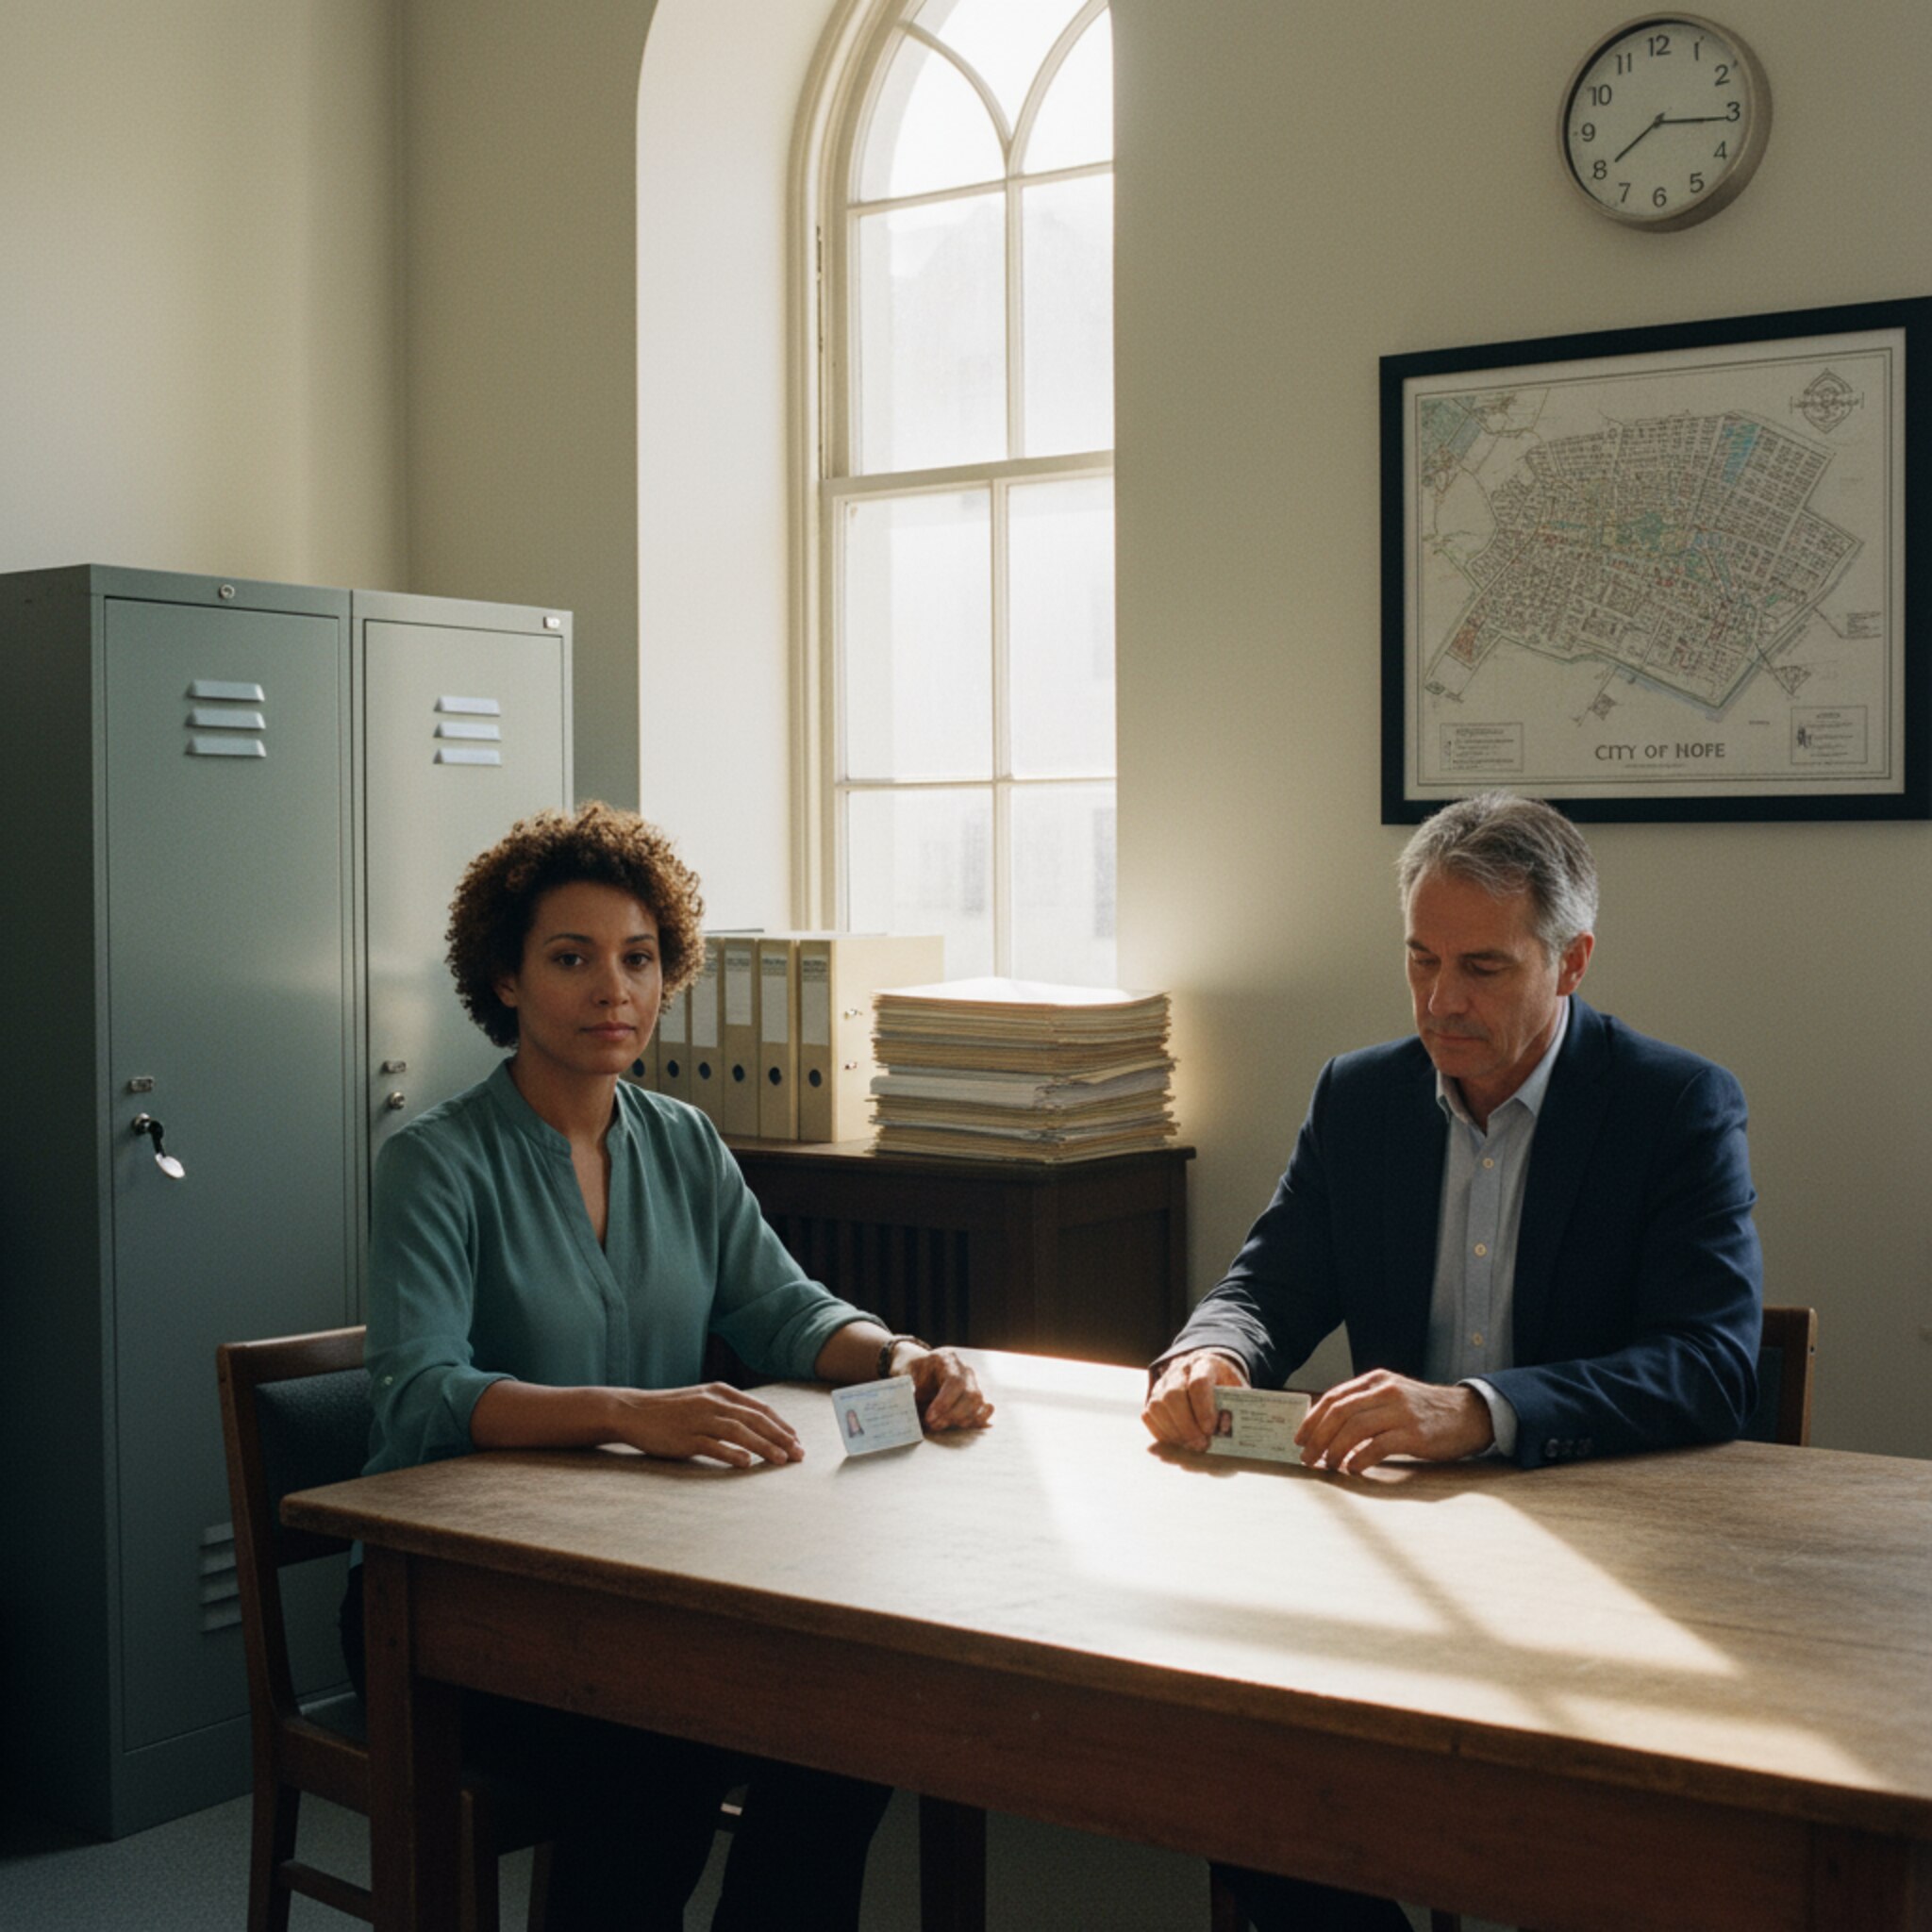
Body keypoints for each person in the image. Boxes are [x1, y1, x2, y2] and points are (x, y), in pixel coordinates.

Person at [344, 801, 993, 1932]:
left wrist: (900, 1351)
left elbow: (780, 1307)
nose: (614, 990)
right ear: (504, 979)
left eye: (638, 959)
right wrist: (629, 1414)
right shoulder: (434, 1163)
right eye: (571, 958)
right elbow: (418, 1393)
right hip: (461, 1603)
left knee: (852, 1736)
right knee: (658, 1761)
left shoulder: (681, 1140)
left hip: (639, 1586)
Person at [1141, 790, 1761, 1932]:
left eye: (1480, 966)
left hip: (1604, 1577)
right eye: (1419, 960)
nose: (1439, 1000)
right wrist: (1212, 1352)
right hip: (1390, 1568)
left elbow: (1711, 1364)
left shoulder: (1670, 1105)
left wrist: (1474, 1410)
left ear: (1568, 961)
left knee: (1577, 1855)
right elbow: (1262, 1286)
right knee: (1244, 1778)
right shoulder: (1361, 1094)